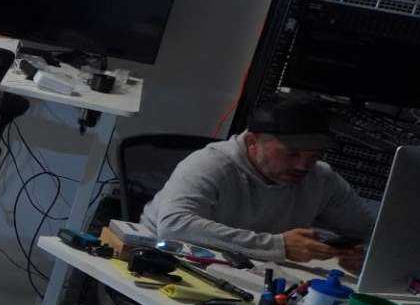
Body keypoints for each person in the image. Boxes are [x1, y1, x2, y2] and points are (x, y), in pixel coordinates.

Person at [139, 93, 371, 268]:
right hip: (160, 261)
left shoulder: (322, 179)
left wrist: (359, 253)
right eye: (291, 154)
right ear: (252, 141)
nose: (303, 166)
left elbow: (367, 231)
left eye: (314, 156)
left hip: (244, 271)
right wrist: (278, 247)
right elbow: (175, 226)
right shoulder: (210, 164)